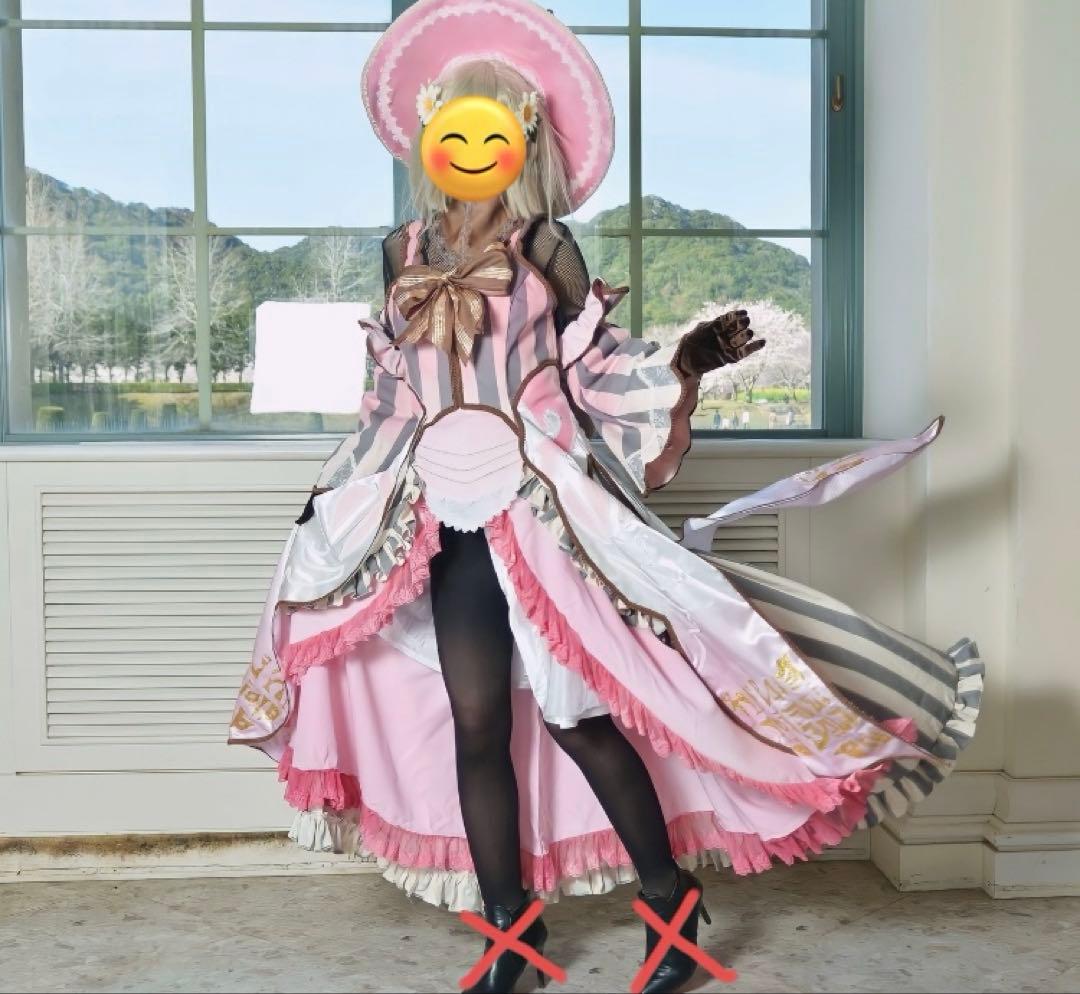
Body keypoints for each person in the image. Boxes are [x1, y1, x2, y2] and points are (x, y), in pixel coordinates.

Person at [229, 3, 982, 992]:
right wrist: (336, 492)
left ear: (520, 142)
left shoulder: (546, 248)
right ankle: (513, 934)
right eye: (453, 128)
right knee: (474, 721)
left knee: (577, 715)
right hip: (439, 517)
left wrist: (686, 362)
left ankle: (670, 902)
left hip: (544, 515)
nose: (469, 149)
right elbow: (391, 397)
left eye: (489, 131)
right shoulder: (400, 252)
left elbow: (594, 370)